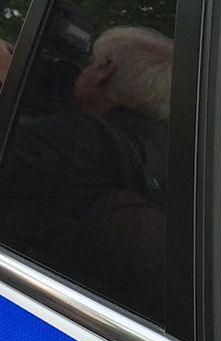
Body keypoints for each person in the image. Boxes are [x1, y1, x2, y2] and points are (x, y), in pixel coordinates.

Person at [0, 26, 172, 320]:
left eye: (90, 62)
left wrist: (5, 76)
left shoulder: (74, 144)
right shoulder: (163, 156)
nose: (78, 73)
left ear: (106, 70)